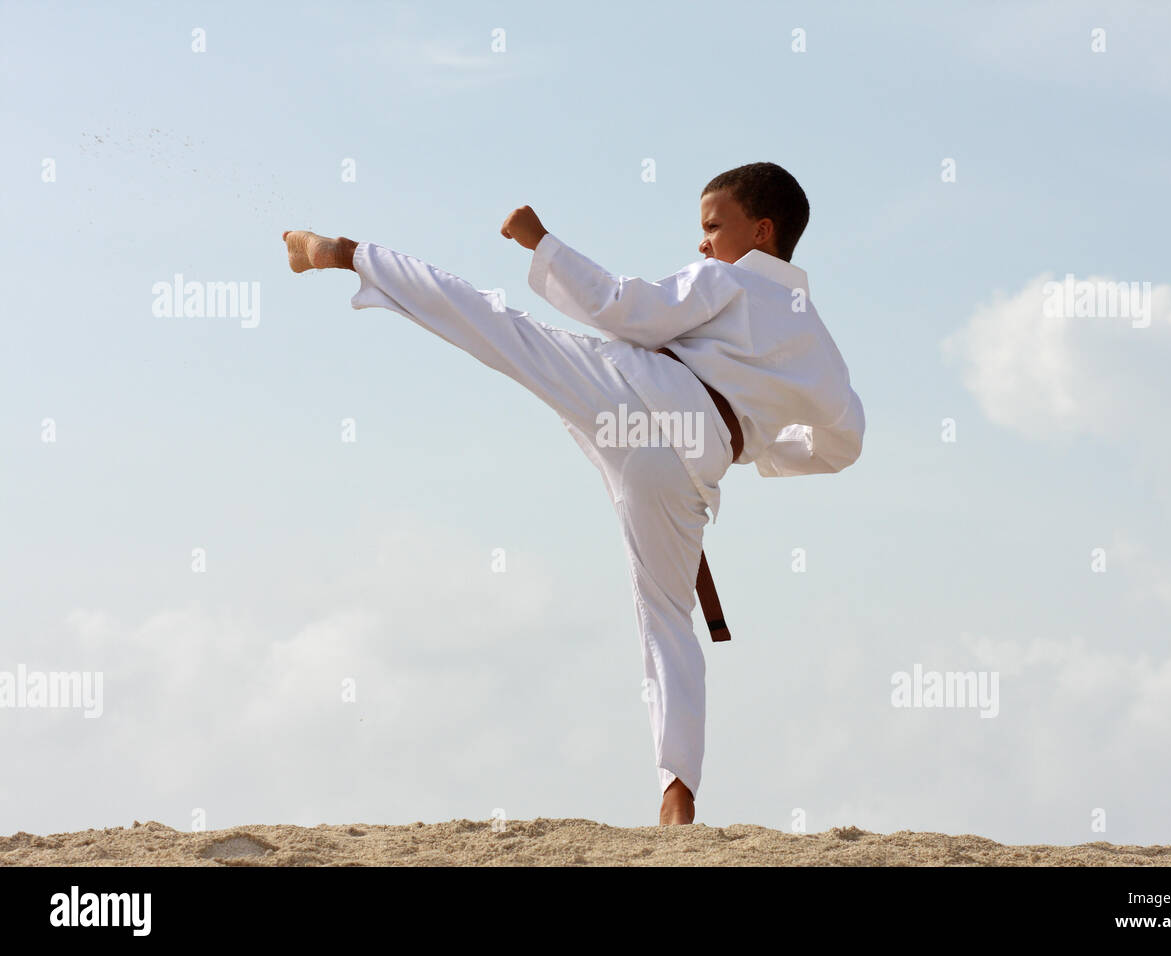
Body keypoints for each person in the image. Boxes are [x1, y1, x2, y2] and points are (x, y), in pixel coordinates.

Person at [282, 162, 865, 825]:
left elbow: (628, 312)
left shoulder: (726, 279)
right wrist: (756, 448)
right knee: (667, 621)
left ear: (761, 232)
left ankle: (350, 254)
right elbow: (845, 442)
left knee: (503, 330)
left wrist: (544, 245)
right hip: (691, 466)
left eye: (712, 227)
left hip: (636, 396)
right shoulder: (820, 346)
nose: (702, 243)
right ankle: (677, 793)